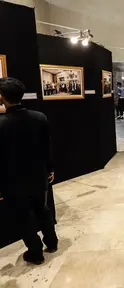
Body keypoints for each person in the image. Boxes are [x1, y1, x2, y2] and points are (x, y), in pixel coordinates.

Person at [0, 78, 58, 265]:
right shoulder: (39, 117)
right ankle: (52, 241)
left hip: (14, 181)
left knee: (23, 217)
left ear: (2, 97)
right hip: (38, 175)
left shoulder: (2, 124)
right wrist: (49, 169)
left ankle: (35, 252)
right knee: (42, 209)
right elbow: (46, 146)